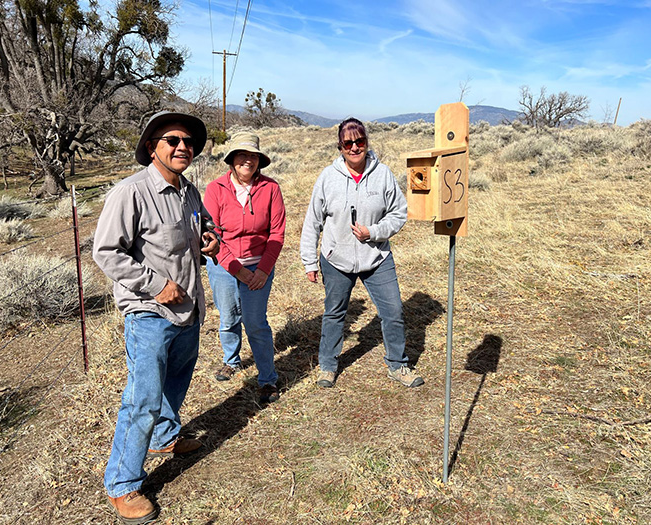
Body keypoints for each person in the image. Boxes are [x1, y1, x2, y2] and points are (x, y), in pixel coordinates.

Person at [92, 111, 220, 524]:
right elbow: (106, 252)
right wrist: (155, 285)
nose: (183, 146)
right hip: (150, 312)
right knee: (142, 399)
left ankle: (165, 437)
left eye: (188, 141)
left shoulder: (188, 191)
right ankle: (122, 484)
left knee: (177, 380)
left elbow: (201, 229)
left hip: (188, 307)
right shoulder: (129, 193)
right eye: (172, 140)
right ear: (152, 147)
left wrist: (209, 238)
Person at [300, 117, 424, 389]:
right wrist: (309, 260)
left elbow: (399, 213)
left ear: (367, 143)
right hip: (336, 259)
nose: (355, 147)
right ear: (339, 146)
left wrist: (374, 232)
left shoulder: (383, 175)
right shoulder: (327, 178)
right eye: (348, 143)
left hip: (376, 257)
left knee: (393, 311)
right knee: (334, 313)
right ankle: (328, 366)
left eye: (360, 141)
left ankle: (398, 365)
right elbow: (313, 221)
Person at [203, 132, 286, 404]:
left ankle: (267, 379)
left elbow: (276, 233)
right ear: (231, 160)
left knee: (255, 322)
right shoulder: (215, 189)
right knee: (228, 317)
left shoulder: (271, 188)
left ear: (259, 160)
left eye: (253, 156)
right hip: (223, 264)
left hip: (259, 264)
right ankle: (232, 359)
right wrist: (237, 269)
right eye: (242, 155)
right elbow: (211, 234)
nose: (247, 161)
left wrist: (262, 271)